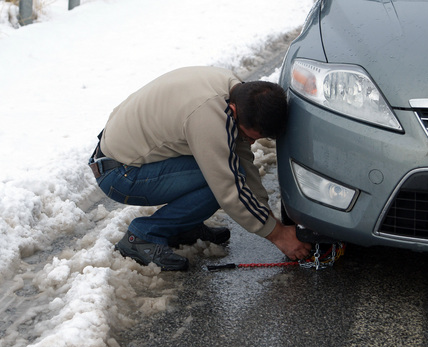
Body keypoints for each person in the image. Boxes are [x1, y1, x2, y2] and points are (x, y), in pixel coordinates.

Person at [89, 66, 312, 271]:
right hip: (120, 174)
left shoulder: (239, 94)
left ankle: (181, 226)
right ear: (234, 111)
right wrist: (278, 235)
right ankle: (142, 236)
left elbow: (241, 157)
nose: (251, 142)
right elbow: (229, 188)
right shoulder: (209, 116)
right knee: (218, 180)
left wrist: (269, 217)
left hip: (127, 157)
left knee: (229, 170)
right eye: (249, 136)